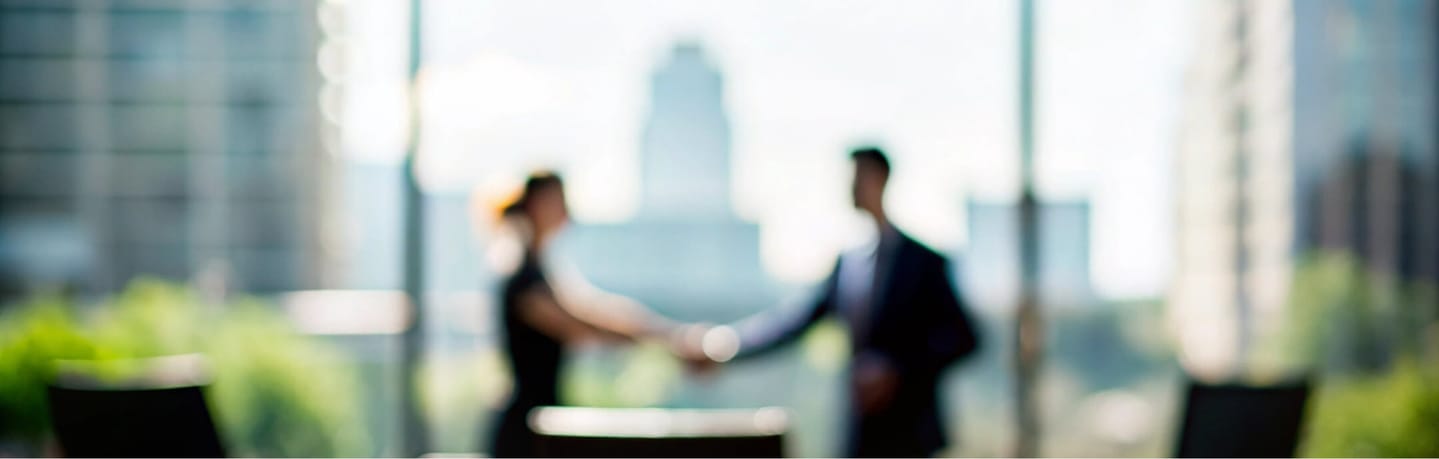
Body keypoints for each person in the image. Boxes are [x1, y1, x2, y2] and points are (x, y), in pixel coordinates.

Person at [676, 147, 981, 458]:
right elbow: (794, 322)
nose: (850, 187)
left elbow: (964, 338)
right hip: (861, 429)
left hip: (911, 431)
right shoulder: (849, 264)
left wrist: (896, 369)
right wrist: (726, 345)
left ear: (880, 179)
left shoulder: (924, 262)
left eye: (857, 176)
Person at [486, 171, 678, 457]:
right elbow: (580, 323)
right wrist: (666, 339)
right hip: (526, 427)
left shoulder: (539, 271)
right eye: (559, 200)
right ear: (537, 204)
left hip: (544, 417)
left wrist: (666, 334)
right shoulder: (521, 274)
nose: (567, 210)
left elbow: (594, 309)